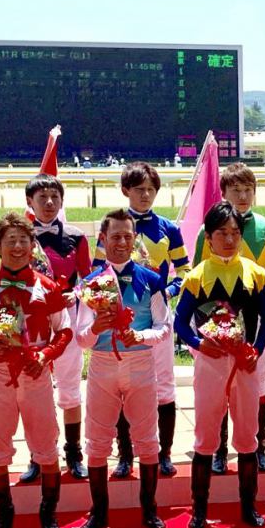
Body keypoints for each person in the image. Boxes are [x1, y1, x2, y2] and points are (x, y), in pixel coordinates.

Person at [0, 213, 72, 528]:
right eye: (10, 240)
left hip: (36, 373)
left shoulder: (49, 287)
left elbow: (65, 330)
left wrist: (46, 354)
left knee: (47, 448)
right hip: (0, 375)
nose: (17, 247)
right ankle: (4, 516)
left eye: (24, 240)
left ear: (32, 245)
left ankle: (48, 514)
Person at [176, 202, 265, 528]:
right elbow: (180, 324)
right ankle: (198, 510)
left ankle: (248, 507)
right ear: (208, 238)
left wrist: (256, 350)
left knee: (247, 438)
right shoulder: (197, 276)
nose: (230, 240)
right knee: (205, 437)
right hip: (210, 364)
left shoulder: (255, 274)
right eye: (222, 233)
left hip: (246, 364)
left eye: (235, 233)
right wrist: (198, 344)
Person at [76, 209, 171, 528]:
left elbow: (164, 327)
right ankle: (99, 513)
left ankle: (150, 510)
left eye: (127, 236)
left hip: (140, 363)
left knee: (147, 440)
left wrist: (140, 337)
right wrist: (95, 328)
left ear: (135, 239)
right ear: (103, 239)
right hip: (102, 365)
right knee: (97, 442)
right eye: (115, 236)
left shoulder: (152, 279)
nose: (121, 242)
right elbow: (81, 339)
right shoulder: (90, 283)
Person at [95, 162, 189, 480]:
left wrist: (166, 290)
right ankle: (125, 455)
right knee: (123, 386)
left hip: (156, 315)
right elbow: (97, 270)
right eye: (139, 189)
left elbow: (184, 270)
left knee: (164, 386)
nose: (145, 195)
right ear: (126, 191)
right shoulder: (113, 226)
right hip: (120, 317)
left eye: (151, 189)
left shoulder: (168, 228)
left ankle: (164, 454)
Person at [194, 163, 265, 475]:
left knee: (258, 386)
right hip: (217, 324)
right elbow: (198, 273)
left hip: (254, 325)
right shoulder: (206, 232)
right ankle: (219, 450)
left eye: (248, 190)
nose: (243, 196)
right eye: (236, 190)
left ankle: (257, 448)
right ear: (224, 193)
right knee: (220, 388)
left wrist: (263, 294)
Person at [19, 174, 93, 484]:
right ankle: (38, 454)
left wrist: (75, 294)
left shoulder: (76, 236)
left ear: (62, 201)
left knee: (69, 387)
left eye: (54, 197)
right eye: (42, 198)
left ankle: (74, 453)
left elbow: (89, 279)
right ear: (30, 202)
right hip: (32, 321)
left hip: (67, 318)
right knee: (34, 390)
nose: (49, 203)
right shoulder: (21, 236)